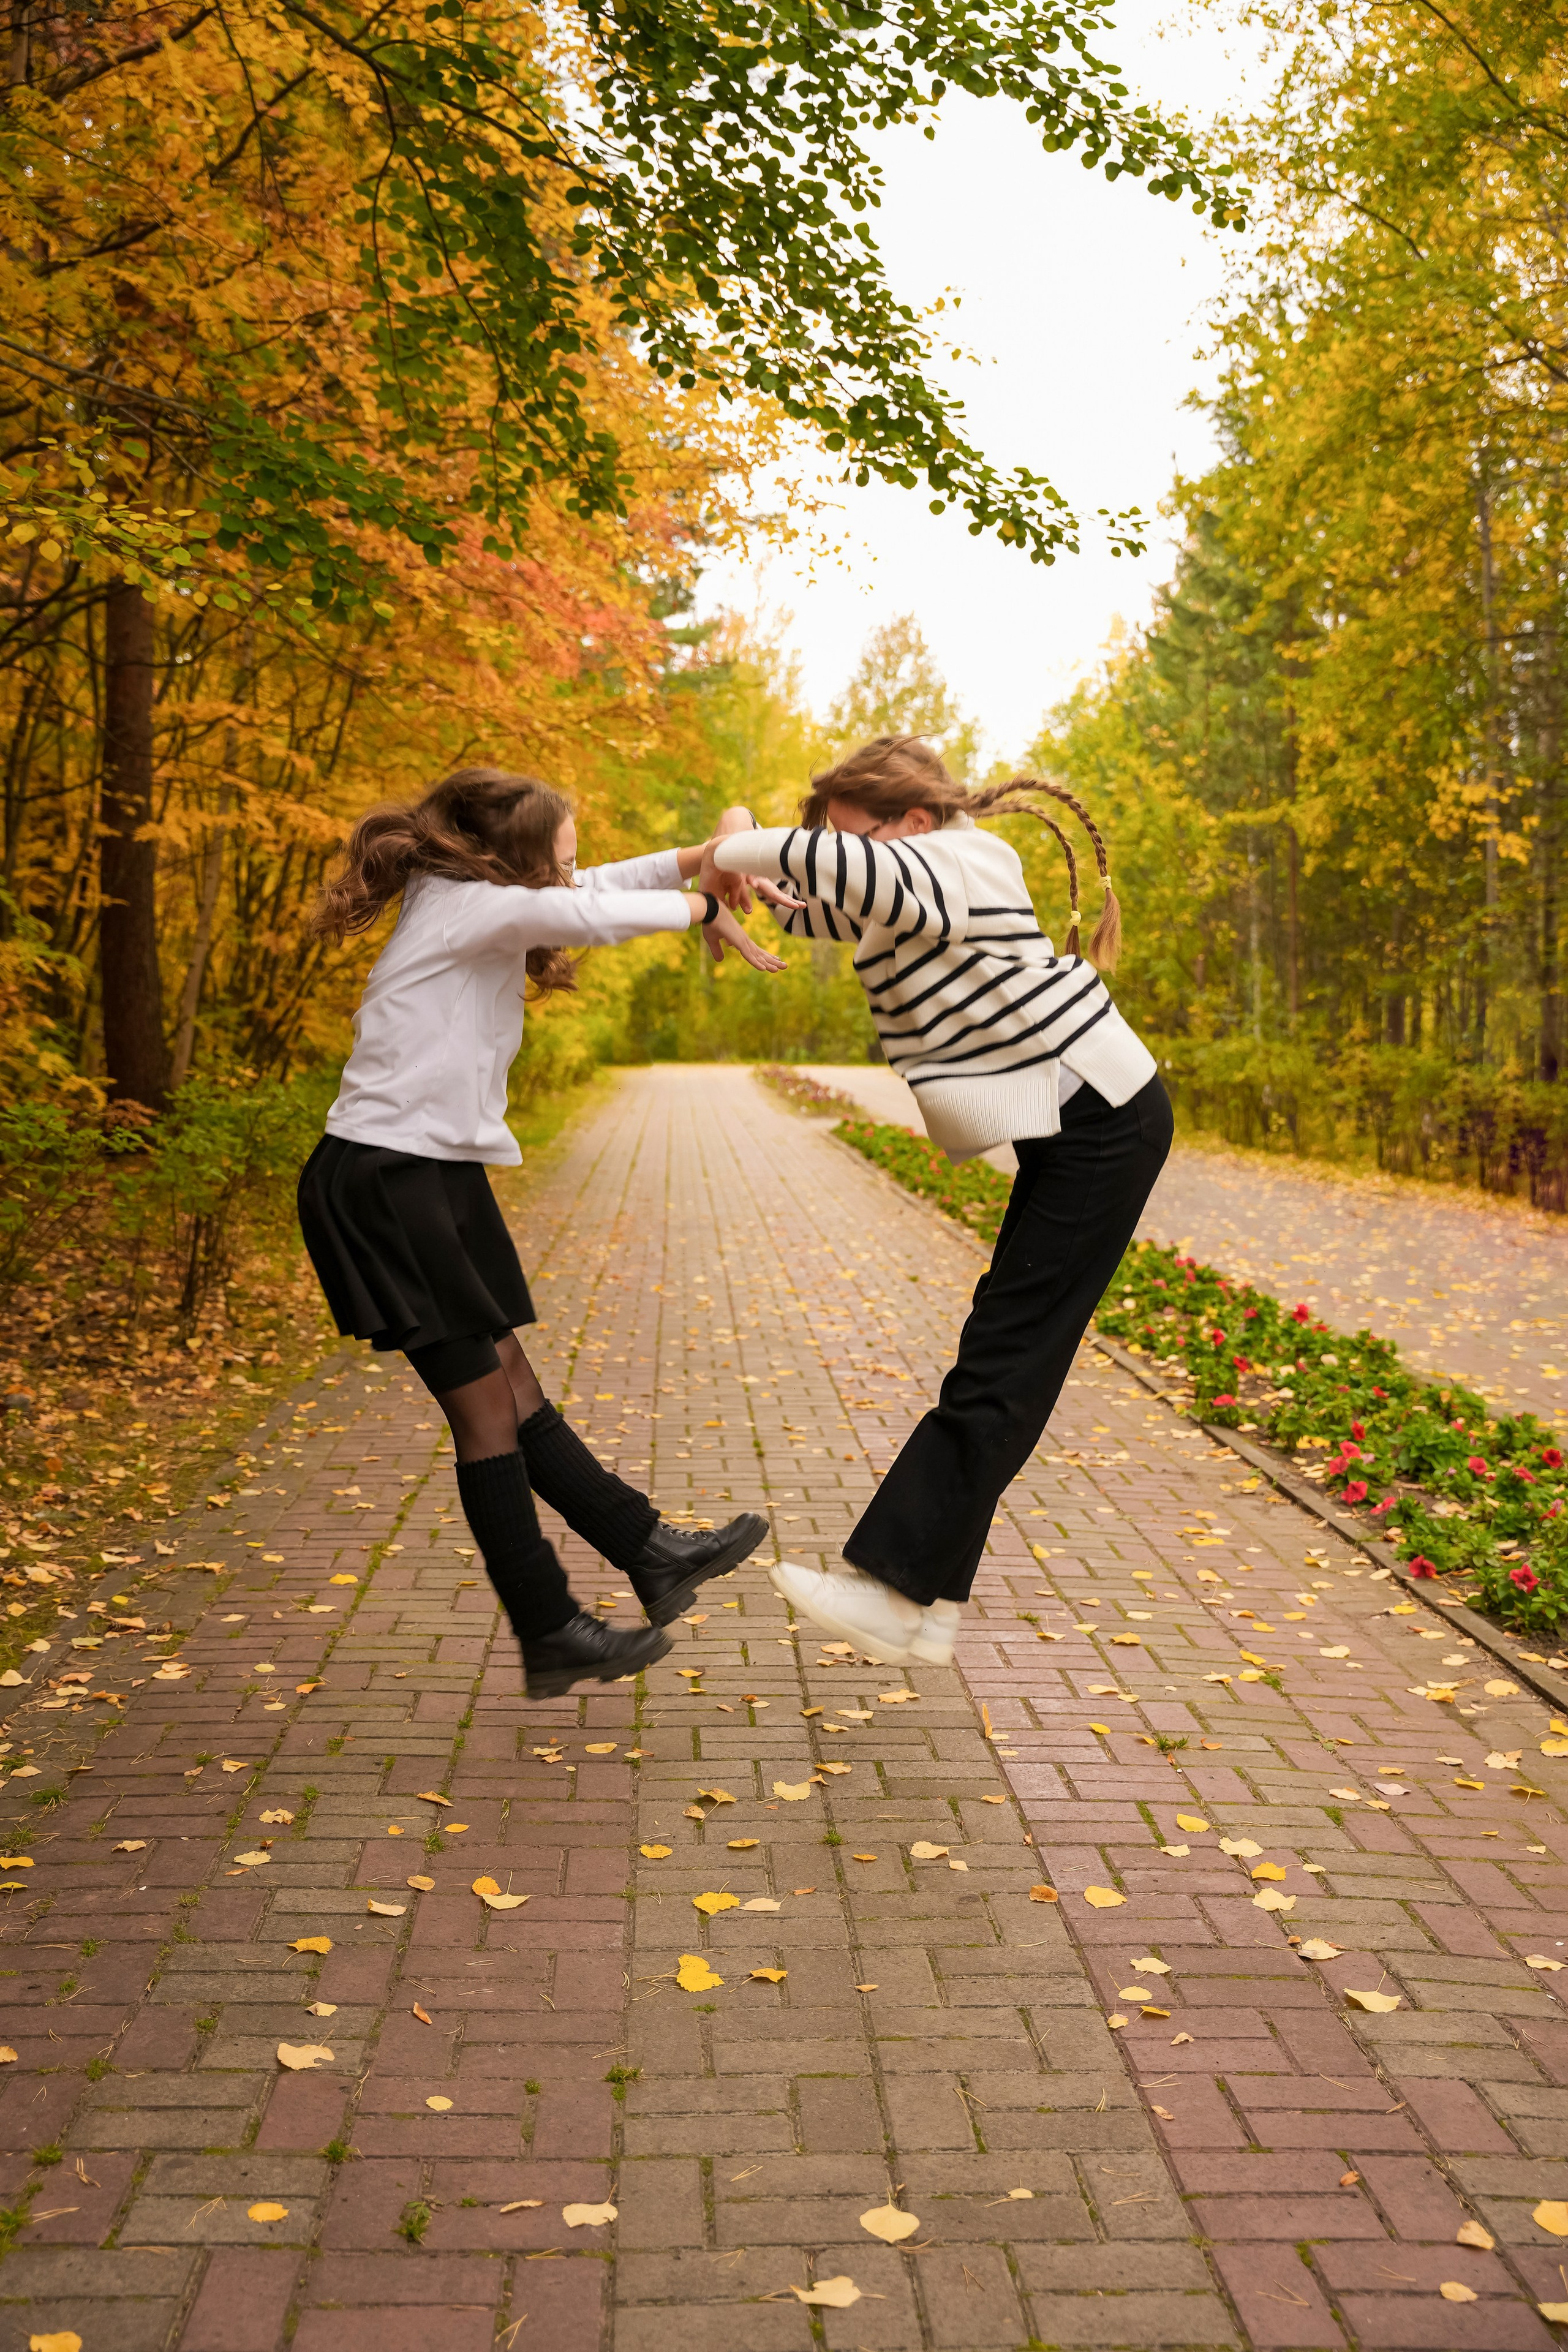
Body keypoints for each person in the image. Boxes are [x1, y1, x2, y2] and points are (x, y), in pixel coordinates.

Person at [300, 767, 785, 1698]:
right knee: (484, 1412)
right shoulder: (466, 911)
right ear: (507, 861)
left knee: (512, 1383)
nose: (572, 873)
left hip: (427, 1173)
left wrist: (697, 862)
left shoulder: (480, 897)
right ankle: (550, 1627)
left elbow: (593, 892)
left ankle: (649, 1550)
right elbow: (584, 916)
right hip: (385, 1180)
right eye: (556, 859)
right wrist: (700, 908)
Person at [708, 734, 1172, 1668]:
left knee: (1005, 1361)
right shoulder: (912, 883)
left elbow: (800, 863)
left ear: (912, 822)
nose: (846, 856)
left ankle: (893, 1590)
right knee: (1006, 1355)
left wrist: (730, 840)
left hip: (1104, 1120)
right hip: (1077, 1120)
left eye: (858, 838)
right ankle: (929, 1607)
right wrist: (726, 877)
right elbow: (806, 903)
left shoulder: (961, 862)